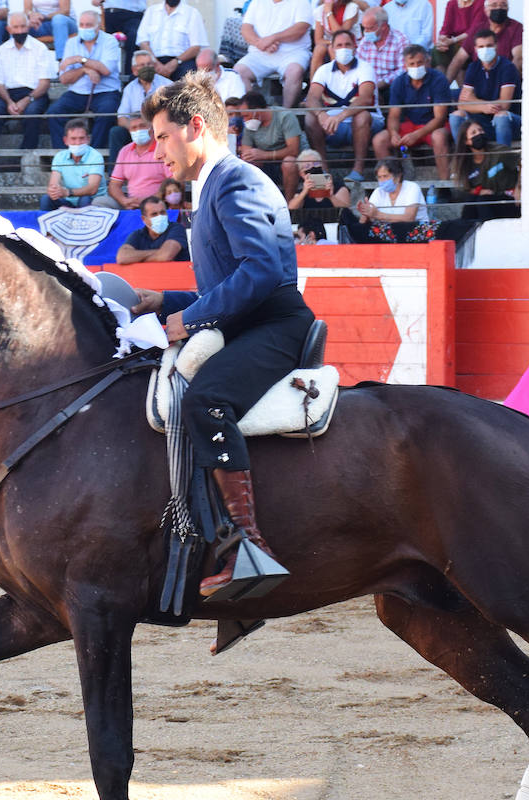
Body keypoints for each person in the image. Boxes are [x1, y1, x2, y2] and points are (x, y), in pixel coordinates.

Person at [135, 70, 315, 598]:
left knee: (205, 401)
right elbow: (226, 287)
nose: (156, 150)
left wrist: (187, 320)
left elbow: (259, 275)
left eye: (162, 136)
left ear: (194, 126)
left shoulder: (234, 179)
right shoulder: (216, 183)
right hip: (255, 322)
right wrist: (164, 302)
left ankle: (246, 546)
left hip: (275, 325)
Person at [302, 31, 375, 188]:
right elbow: (312, 97)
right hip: (331, 125)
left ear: (355, 47)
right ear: (332, 49)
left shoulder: (365, 67)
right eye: (339, 45)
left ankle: (358, 170)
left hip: (363, 123)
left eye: (347, 45)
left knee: (362, 116)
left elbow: (366, 98)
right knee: (310, 118)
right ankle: (323, 171)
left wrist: (340, 116)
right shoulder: (324, 70)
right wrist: (321, 115)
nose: (344, 49)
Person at [374, 44, 453, 183]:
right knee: (379, 140)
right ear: (405, 65)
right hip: (409, 125)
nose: (416, 67)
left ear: (427, 62)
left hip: (434, 126)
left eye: (419, 63)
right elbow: (393, 115)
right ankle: (392, 184)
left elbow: (440, 118)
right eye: (412, 63)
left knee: (439, 137)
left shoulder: (438, 79)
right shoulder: (399, 82)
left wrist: (417, 134)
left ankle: (444, 186)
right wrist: (393, 133)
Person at [46, 7, 121, 149]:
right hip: (77, 92)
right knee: (54, 113)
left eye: (89, 25)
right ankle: (63, 155)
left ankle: (94, 154)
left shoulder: (110, 41)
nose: (84, 28)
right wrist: (85, 69)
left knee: (107, 112)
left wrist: (80, 59)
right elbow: (64, 79)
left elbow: (105, 70)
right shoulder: (71, 43)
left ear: (98, 26)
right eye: (82, 25)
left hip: (106, 91)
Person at [0, 10, 53, 150]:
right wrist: (9, 102)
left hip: (35, 95)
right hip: (8, 95)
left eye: (23, 26)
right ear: (9, 29)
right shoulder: (1, 51)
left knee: (32, 113)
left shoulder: (40, 49)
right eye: (16, 27)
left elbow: (44, 83)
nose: (20, 31)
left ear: (28, 27)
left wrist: (27, 100)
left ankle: (27, 153)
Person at [235, 0, 312, 109]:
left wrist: (273, 38)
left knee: (294, 71)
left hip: (293, 53)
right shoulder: (257, 2)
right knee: (238, 71)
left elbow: (301, 28)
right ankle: (254, 113)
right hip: (260, 53)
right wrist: (260, 43)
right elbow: (245, 28)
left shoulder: (301, 2)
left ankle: (285, 114)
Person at [450, 28, 521, 147]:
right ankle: (462, 160)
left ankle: (503, 161)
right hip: (481, 121)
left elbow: (504, 105)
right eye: (481, 46)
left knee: (500, 116)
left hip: (508, 122)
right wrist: (483, 106)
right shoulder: (473, 67)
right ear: (475, 49)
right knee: (456, 116)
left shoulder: (507, 67)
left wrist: (474, 101)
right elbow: (462, 104)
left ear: (496, 46)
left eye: (489, 45)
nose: (485, 50)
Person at [338, 156, 434, 242]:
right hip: (390, 236)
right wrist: (365, 212)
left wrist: (378, 214)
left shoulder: (412, 188)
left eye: (385, 176)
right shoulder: (378, 192)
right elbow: (363, 223)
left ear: (398, 176)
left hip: (414, 234)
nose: (382, 181)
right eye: (379, 177)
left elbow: (409, 218)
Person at [450, 119, 519, 220]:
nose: (479, 134)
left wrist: (519, 188)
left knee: (483, 201)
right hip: (489, 199)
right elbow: (466, 187)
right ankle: (465, 230)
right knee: (472, 201)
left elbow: (523, 163)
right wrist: (479, 191)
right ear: (466, 141)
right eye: (474, 133)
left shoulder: (499, 152)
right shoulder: (465, 163)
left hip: (510, 200)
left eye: (480, 130)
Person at [104, 112, 171, 209]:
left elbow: (173, 182)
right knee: (102, 202)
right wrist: (124, 201)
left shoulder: (162, 148)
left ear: (152, 128)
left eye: (142, 126)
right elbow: (114, 185)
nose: (138, 130)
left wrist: (150, 201)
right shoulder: (125, 151)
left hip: (159, 204)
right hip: (131, 204)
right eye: (134, 128)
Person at [111, 50, 173, 155]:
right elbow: (121, 117)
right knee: (116, 132)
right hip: (136, 129)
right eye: (142, 65)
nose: (147, 67)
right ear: (134, 70)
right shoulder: (130, 88)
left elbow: (173, 114)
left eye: (149, 64)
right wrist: (135, 127)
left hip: (160, 128)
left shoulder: (168, 85)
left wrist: (152, 128)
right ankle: (115, 169)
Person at [288, 146, 351, 240]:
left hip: (337, 233)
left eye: (316, 163)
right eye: (307, 166)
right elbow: (291, 209)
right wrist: (305, 191)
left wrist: (330, 196)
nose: (313, 167)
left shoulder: (338, 187)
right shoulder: (301, 193)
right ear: (301, 174)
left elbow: (347, 210)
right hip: (311, 236)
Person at [136, 0, 208, 82]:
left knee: (189, 80)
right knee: (138, 77)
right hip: (153, 60)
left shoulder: (192, 13)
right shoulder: (151, 11)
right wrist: (155, 63)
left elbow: (196, 47)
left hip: (182, 61)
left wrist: (175, 62)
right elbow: (143, 42)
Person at [42, 117, 105, 209]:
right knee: (46, 199)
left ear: (88, 139)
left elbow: (92, 189)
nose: (78, 143)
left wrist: (68, 192)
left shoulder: (95, 156)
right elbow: (53, 184)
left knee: (85, 199)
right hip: (69, 201)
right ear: (65, 140)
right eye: (73, 139)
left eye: (81, 138)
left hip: (93, 201)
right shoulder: (60, 157)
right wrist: (54, 191)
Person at [355, 5, 408, 102]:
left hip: (390, 86)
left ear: (383, 26)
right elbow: (359, 66)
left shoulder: (400, 40)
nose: (365, 32)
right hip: (368, 85)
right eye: (364, 28)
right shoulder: (365, 41)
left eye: (369, 28)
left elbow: (403, 69)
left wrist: (382, 83)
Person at [116, 194, 188, 262]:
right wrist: (158, 254)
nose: (160, 216)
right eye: (154, 214)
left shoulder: (176, 228)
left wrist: (137, 258)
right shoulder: (138, 234)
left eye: (162, 212)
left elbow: (166, 255)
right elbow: (122, 257)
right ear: (144, 219)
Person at [465, 0, 523, 73]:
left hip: (506, 77)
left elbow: (518, 57)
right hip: (480, 76)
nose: (499, 8)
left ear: (508, 9)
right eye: (494, 5)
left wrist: (508, 77)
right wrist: (447, 83)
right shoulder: (477, 28)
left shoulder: (516, 27)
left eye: (503, 5)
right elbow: (459, 58)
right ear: (485, 10)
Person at [436, 0, 483, 82]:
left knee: (459, 52)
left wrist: (453, 40)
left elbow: (474, 30)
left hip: (472, 43)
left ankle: (461, 89)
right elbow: (446, 28)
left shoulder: (480, 3)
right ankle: (441, 85)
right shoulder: (452, 3)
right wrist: (442, 39)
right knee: (437, 51)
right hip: (454, 43)